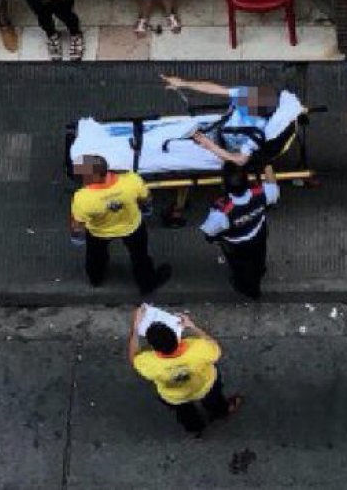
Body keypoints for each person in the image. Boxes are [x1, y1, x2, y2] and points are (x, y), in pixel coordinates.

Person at [129, 307, 242, 437]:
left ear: (153, 347)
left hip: (175, 396)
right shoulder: (197, 348)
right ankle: (221, 412)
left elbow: (134, 358)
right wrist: (192, 326)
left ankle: (195, 427)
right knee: (215, 401)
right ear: (176, 336)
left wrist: (136, 327)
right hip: (205, 385)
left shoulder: (148, 361)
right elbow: (214, 347)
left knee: (184, 413)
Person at [69, 154, 171, 296]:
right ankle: (147, 284)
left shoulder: (83, 197)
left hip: (100, 232)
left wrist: (77, 239)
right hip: (132, 226)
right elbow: (146, 198)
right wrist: (147, 211)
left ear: (95, 176)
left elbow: (77, 224)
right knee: (140, 256)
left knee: (95, 256)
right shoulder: (131, 180)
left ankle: (96, 278)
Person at [158, 74, 283, 167]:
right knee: (166, 135)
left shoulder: (258, 131)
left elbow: (240, 160)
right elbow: (215, 89)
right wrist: (183, 84)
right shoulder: (252, 96)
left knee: (172, 155)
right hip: (216, 126)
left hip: (221, 148)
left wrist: (209, 146)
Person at [200, 163, 279, 299]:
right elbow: (273, 189)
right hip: (259, 234)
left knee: (241, 268)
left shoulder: (222, 212)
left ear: (224, 186)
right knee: (259, 257)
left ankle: (248, 289)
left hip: (237, 246)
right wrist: (267, 164)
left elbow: (210, 232)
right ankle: (259, 272)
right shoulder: (262, 192)